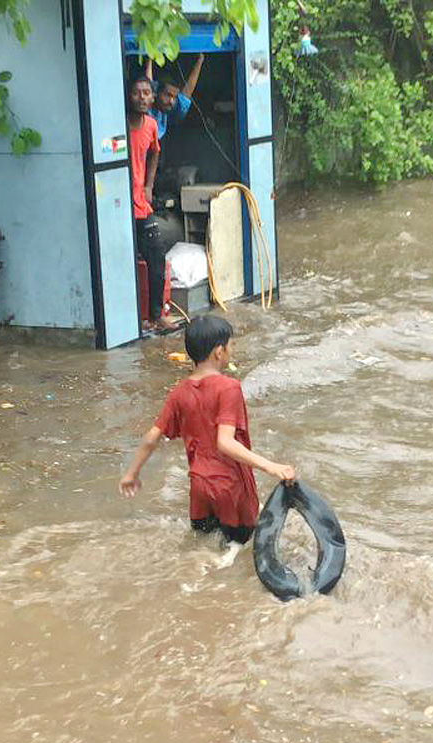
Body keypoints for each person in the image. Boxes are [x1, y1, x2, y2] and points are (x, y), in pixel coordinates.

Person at [119, 315, 296, 546]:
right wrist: (271, 466)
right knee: (242, 546)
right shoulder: (229, 388)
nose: (233, 349)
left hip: (199, 486)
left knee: (203, 546)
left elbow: (152, 437)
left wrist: (131, 474)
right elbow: (225, 442)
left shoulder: (179, 392)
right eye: (231, 345)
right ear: (219, 352)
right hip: (230, 486)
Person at [127, 74, 178, 332]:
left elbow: (154, 153)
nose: (142, 98)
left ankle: (156, 314)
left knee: (156, 255)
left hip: (140, 202)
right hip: (119, 205)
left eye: (146, 93)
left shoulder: (150, 125)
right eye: (137, 93)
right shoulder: (119, 125)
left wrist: (148, 185)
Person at [144, 54, 204, 139]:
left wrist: (200, 61)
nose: (171, 101)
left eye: (174, 97)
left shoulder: (167, 109)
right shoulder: (146, 103)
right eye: (168, 95)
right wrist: (150, 58)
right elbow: (148, 85)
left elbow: (187, 93)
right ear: (156, 92)